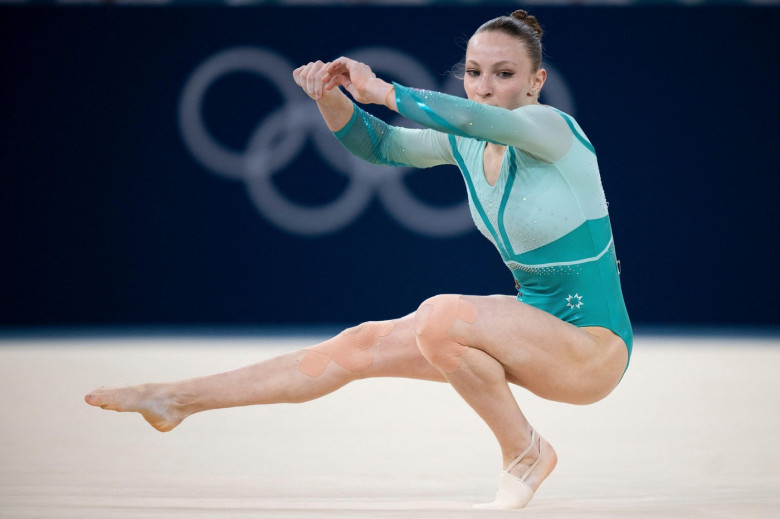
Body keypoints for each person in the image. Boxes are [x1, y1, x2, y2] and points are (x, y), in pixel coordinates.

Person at [85, 10, 631, 509]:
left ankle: (524, 452)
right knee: (358, 345)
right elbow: (383, 146)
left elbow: (471, 120)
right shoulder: (464, 144)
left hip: (592, 352)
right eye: (473, 72)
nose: (484, 88)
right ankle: (177, 399)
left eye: (504, 74)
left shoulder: (553, 130)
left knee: (441, 318)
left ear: (536, 82)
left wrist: (380, 88)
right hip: (532, 330)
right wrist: (330, 96)